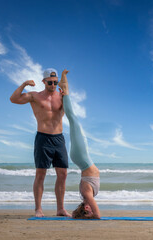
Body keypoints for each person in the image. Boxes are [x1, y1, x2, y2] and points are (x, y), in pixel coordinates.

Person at [10, 68, 71, 217]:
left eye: (55, 82)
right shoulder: (35, 96)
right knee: (40, 174)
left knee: (62, 174)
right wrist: (24, 84)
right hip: (43, 138)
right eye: (50, 82)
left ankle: (61, 209)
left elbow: (66, 90)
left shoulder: (62, 97)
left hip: (59, 138)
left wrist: (63, 77)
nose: (53, 84)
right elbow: (14, 99)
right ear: (44, 82)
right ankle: (38, 209)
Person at [59, 69, 101, 219]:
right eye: (89, 210)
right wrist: (91, 216)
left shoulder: (85, 194)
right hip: (83, 158)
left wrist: (93, 216)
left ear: (84, 207)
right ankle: (64, 93)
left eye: (86, 209)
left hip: (81, 158)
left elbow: (98, 215)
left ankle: (65, 90)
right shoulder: (87, 196)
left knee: (73, 119)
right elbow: (95, 213)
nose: (89, 207)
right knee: (73, 121)